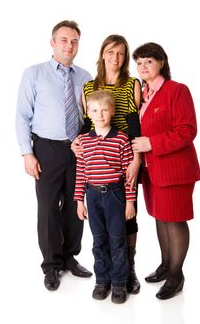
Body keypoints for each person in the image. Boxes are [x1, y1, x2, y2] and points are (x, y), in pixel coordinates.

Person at [15, 20, 93, 291]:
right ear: (52, 42)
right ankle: (51, 265)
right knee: (47, 207)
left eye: (74, 41)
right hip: (46, 149)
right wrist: (27, 153)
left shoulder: (86, 77)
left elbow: (91, 116)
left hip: (78, 148)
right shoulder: (34, 74)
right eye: (64, 40)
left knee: (75, 204)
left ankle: (69, 256)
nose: (69, 45)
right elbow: (22, 116)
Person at [132, 42, 200, 300]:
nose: (143, 67)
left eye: (148, 61)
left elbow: (187, 131)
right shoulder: (143, 94)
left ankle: (176, 274)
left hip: (175, 170)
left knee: (174, 220)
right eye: (139, 63)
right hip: (151, 171)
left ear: (161, 62)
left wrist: (152, 143)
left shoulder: (177, 90)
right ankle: (165, 265)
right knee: (160, 218)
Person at [72, 34, 141, 294]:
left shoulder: (131, 84)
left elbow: (135, 128)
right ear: (103, 53)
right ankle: (106, 278)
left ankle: (127, 272)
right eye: (111, 52)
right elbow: (87, 125)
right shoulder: (89, 87)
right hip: (96, 160)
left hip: (124, 154)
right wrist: (76, 143)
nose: (116, 58)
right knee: (101, 233)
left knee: (128, 220)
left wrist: (137, 160)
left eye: (121, 53)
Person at [74, 90, 137, 304]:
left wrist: (130, 202)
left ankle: (119, 283)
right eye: (94, 110)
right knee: (98, 240)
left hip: (115, 195)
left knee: (117, 240)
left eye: (104, 110)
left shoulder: (120, 139)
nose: (100, 114)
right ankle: (102, 280)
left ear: (112, 112)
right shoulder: (83, 140)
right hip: (92, 196)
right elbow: (81, 172)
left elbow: (129, 175)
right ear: (87, 113)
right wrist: (79, 201)